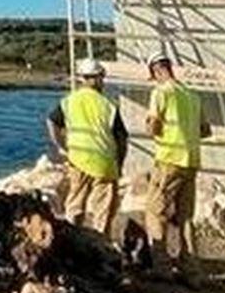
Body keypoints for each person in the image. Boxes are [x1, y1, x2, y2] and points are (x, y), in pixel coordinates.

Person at [144, 51, 212, 276]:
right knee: (185, 217)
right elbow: (205, 130)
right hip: (191, 161)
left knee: (155, 212)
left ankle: (161, 267)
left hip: (169, 160)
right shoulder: (192, 95)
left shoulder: (161, 92)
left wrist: (153, 130)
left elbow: (153, 126)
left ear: (156, 71)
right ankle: (191, 270)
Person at [46, 57, 129, 239]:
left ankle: (70, 241)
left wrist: (62, 146)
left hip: (78, 159)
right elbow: (122, 139)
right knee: (103, 210)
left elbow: (52, 122)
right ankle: (102, 244)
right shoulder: (108, 106)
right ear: (99, 78)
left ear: (82, 78)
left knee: (75, 203)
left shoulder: (69, 101)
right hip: (104, 162)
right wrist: (119, 163)